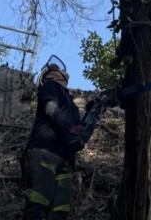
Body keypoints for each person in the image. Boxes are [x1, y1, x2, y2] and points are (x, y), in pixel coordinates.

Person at [20, 62, 102, 219]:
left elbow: (78, 131)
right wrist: (69, 127)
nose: (63, 70)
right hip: (45, 152)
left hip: (65, 159)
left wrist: (93, 112)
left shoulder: (70, 103)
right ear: (50, 75)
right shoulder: (50, 86)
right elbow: (51, 109)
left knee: (60, 210)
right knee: (38, 201)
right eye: (57, 69)